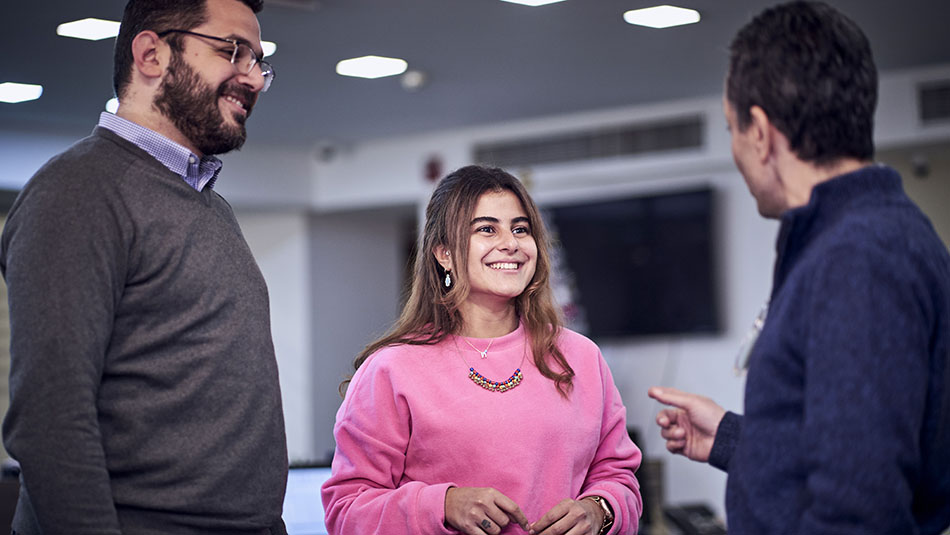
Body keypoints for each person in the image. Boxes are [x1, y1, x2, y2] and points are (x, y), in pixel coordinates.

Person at [648, 2, 950, 534]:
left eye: (731, 130)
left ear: (760, 132)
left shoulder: (859, 259)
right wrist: (731, 436)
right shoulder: (873, 237)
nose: (738, 150)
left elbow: (859, 509)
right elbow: (841, 446)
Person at [0, 0, 288, 533]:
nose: (251, 77)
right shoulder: (77, 192)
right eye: (232, 51)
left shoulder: (209, 205)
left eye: (258, 62)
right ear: (152, 54)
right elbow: (50, 419)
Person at [321, 165, 642, 535]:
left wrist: (599, 510)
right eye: (487, 229)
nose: (511, 243)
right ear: (444, 254)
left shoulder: (581, 357)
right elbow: (346, 512)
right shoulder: (391, 369)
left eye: (520, 229)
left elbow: (619, 478)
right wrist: (443, 504)